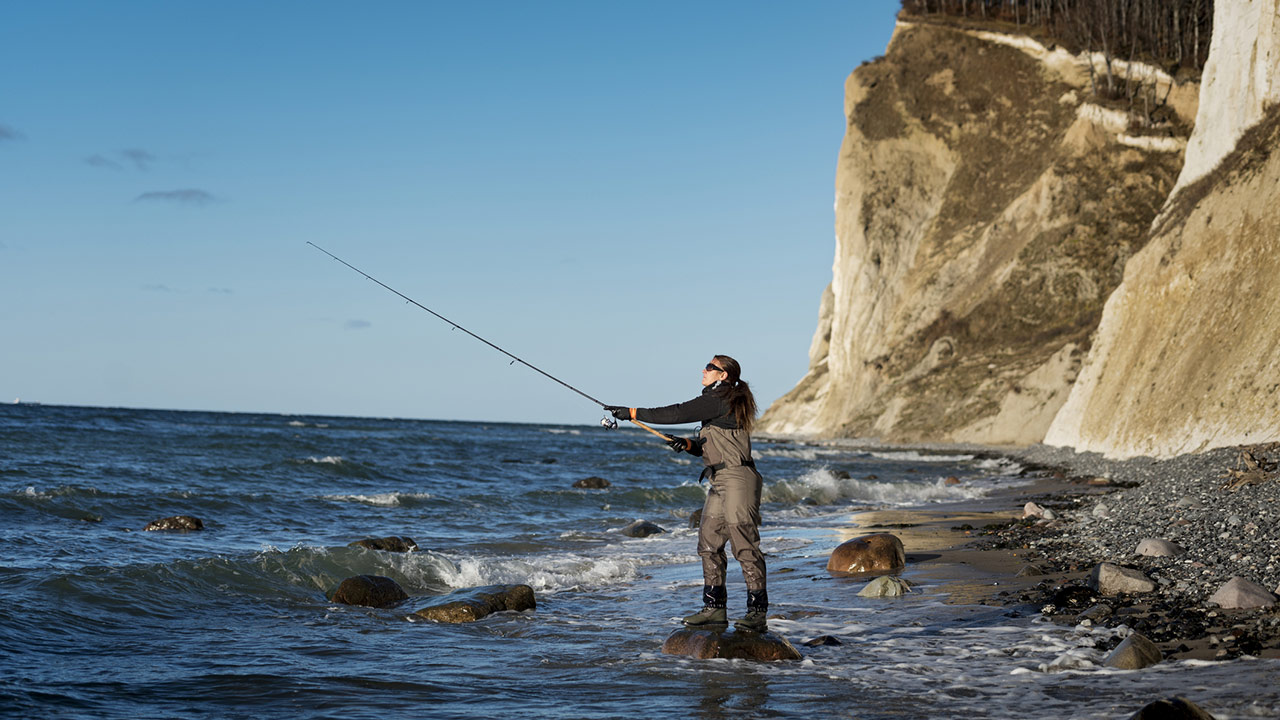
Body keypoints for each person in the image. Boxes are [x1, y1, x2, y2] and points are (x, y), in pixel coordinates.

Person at [606, 355, 768, 632]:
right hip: (719, 478)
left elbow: (677, 413)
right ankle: (714, 609)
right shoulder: (719, 400)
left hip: (739, 479)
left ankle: (757, 613)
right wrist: (689, 445)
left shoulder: (722, 397)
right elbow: (713, 448)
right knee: (708, 543)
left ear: (723, 375)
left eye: (710, 367)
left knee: (744, 545)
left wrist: (633, 413)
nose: (704, 370)